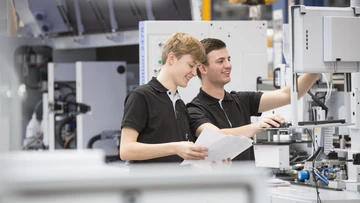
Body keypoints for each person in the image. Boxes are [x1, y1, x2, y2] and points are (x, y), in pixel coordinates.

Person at [187, 38, 319, 161]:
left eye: (229, 59)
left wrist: (317, 67)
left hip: (247, 182)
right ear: (203, 68)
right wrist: (257, 126)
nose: (228, 65)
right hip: (220, 185)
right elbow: (217, 136)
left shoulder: (241, 100)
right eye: (220, 61)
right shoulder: (195, 109)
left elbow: (288, 95)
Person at [120, 33, 209, 163]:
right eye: (191, 65)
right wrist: (175, 148)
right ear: (171, 58)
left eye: (196, 68)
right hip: (150, 183)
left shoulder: (180, 105)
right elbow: (126, 150)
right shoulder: (141, 96)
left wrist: (215, 166)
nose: (195, 73)